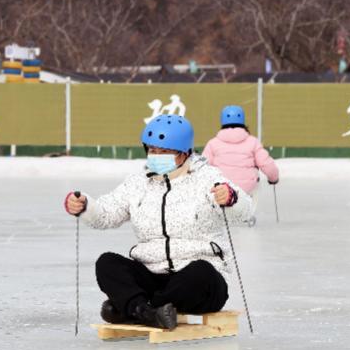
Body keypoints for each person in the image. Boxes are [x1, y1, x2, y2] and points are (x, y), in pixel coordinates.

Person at [64, 115, 252, 329]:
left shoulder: (207, 178)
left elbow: (245, 212)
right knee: (107, 263)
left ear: (183, 153)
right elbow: (106, 214)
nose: (156, 156)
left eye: (164, 152)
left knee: (201, 272)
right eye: (152, 150)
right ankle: (147, 312)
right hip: (152, 275)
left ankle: (135, 308)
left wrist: (231, 198)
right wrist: (85, 205)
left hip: (197, 282)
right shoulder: (138, 184)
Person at [202, 105, 279, 224]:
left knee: (215, 184)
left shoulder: (213, 143)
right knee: (256, 183)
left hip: (222, 188)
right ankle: (248, 214)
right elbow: (266, 163)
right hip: (247, 188)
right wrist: (273, 178)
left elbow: (204, 166)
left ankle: (220, 214)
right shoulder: (253, 142)